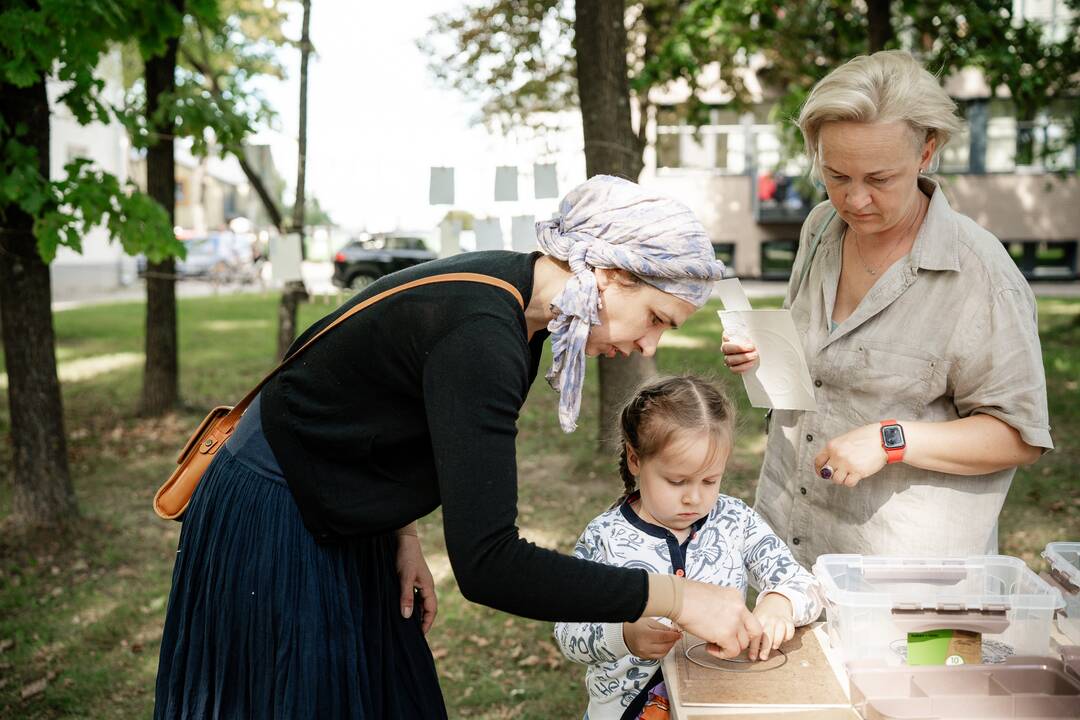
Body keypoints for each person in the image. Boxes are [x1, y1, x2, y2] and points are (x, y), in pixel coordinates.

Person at [154, 175, 763, 720]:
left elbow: (385, 407)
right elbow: (489, 564)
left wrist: (403, 531)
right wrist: (679, 597)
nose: (650, 345)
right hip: (279, 514)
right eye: (656, 317)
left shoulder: (518, 304)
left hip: (339, 500)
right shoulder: (484, 335)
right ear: (609, 275)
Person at [721, 50, 1052, 568]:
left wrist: (891, 440)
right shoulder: (819, 228)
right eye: (836, 175)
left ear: (926, 151)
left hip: (900, 581)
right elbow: (822, 367)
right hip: (786, 543)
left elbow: (1019, 436)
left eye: (879, 179)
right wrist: (765, 354)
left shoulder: (981, 275)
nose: (854, 201)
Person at [554, 376, 822, 720]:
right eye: (677, 481)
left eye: (710, 480)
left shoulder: (735, 521)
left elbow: (806, 584)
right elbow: (567, 632)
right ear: (636, 460)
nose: (694, 497)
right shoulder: (604, 538)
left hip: (715, 707)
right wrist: (624, 635)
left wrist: (779, 603)